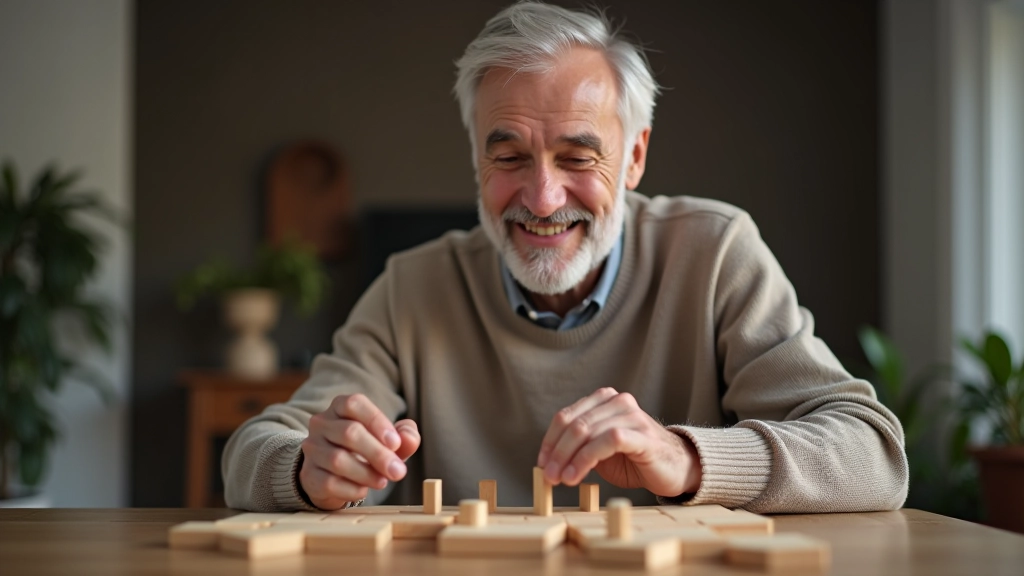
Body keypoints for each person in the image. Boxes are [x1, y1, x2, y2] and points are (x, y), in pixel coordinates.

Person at [223, 1, 908, 514]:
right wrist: (308, 471)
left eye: (578, 158)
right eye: (509, 157)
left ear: (634, 156)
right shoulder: (413, 285)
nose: (544, 198)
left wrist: (686, 457)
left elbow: (873, 455)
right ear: (475, 160)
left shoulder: (715, 251)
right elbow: (255, 451)